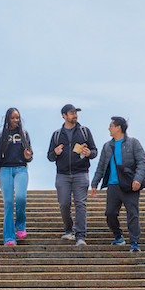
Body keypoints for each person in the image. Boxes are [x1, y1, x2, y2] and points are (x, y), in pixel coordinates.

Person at [90, 116, 145, 252]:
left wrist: (138, 179)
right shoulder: (107, 146)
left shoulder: (133, 143)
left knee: (132, 214)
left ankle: (134, 243)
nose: (109, 128)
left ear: (118, 128)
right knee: (110, 213)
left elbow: (142, 162)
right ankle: (118, 236)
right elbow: (101, 166)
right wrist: (94, 184)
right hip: (112, 185)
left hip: (129, 184)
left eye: (111, 126)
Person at [47, 104, 97, 246]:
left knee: (80, 204)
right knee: (64, 204)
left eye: (75, 113)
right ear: (64, 115)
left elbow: (94, 151)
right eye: (71, 113)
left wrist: (90, 153)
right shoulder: (57, 134)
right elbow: (49, 156)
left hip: (81, 173)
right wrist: (55, 153)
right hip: (62, 175)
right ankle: (69, 230)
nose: (75, 115)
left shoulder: (84, 131)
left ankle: (80, 236)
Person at [0, 107, 34, 246]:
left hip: (21, 169)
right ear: (8, 119)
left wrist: (28, 156)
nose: (15, 120)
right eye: (13, 118)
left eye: (17, 118)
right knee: (8, 203)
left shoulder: (24, 134)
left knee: (21, 198)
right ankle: (9, 237)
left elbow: (29, 155)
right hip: (5, 171)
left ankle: (21, 225)